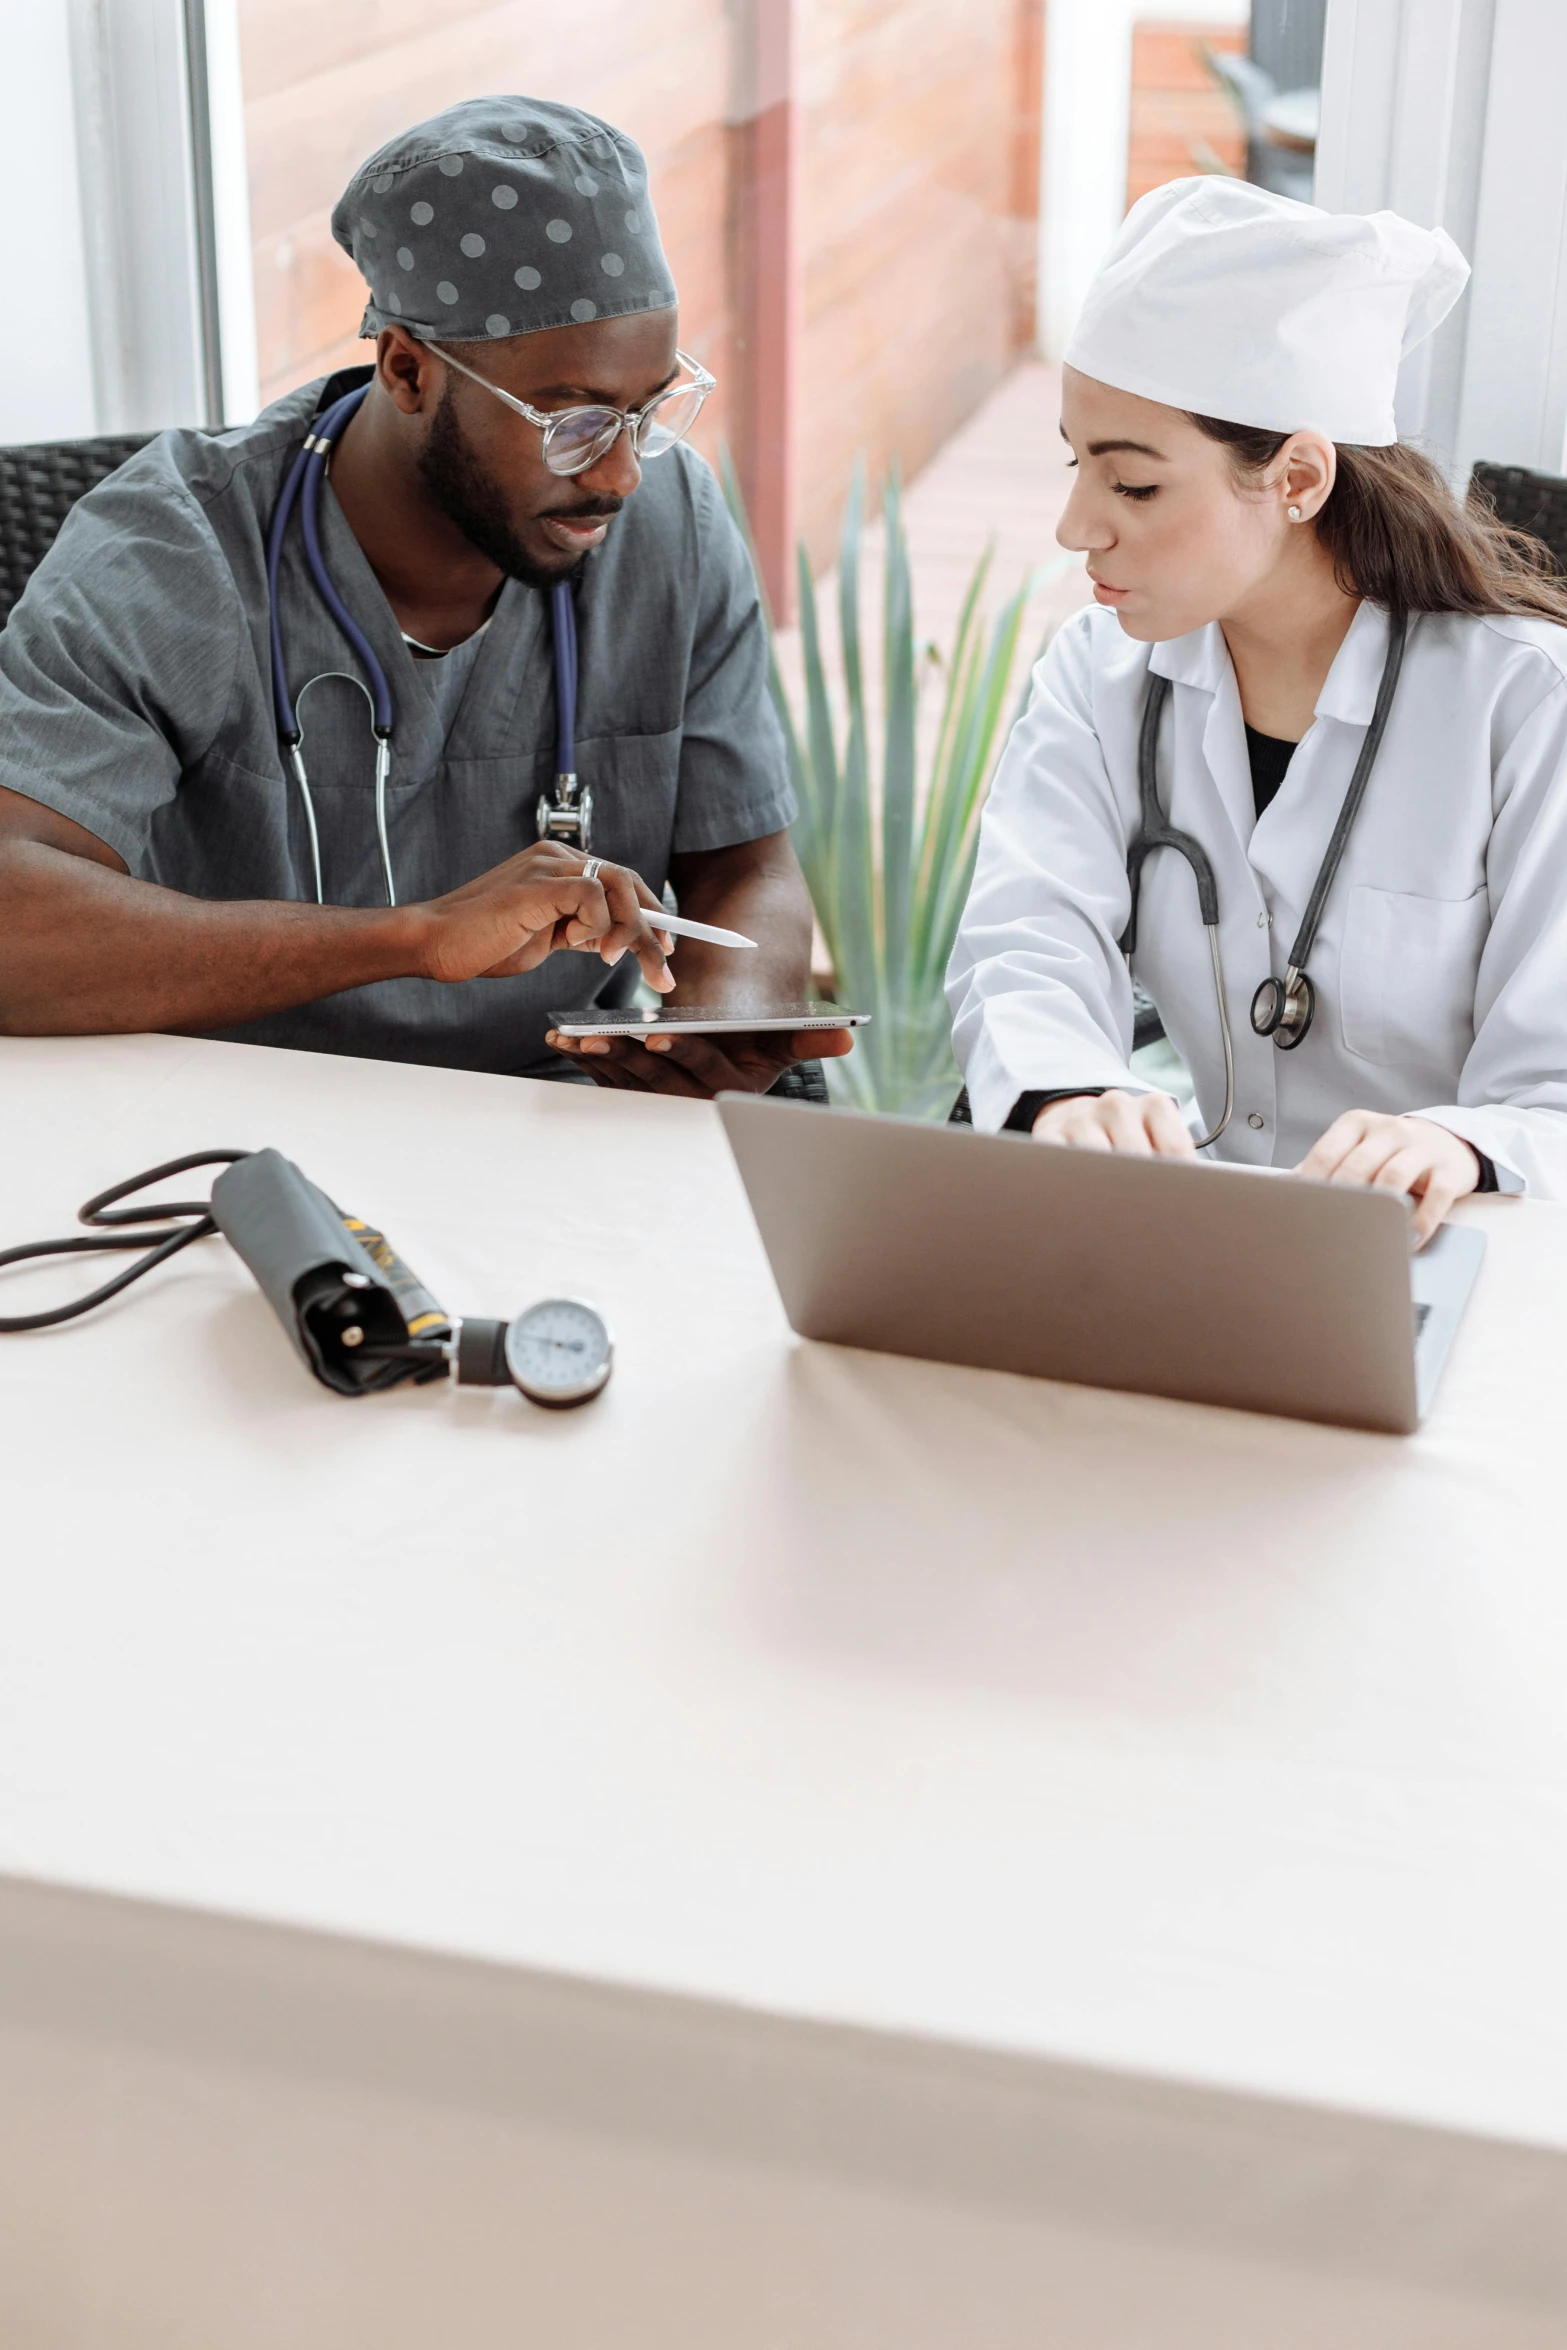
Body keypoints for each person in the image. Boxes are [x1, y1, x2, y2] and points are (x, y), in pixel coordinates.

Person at [0, 96, 849, 1102]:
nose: (620, 475)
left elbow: (746, 866)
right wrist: (415, 939)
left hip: (555, 1119)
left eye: (650, 408)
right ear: (406, 369)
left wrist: (721, 1021)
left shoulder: (672, 524)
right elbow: (16, 928)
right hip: (230, 1115)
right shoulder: (178, 547)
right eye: (573, 422)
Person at [948, 176, 1567, 1240]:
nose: (1073, 527)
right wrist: (1068, 1094)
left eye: (1132, 486)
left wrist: (1460, 1143)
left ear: (1297, 479)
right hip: (1203, 1245)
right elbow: (1025, 941)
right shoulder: (1097, 679)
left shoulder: (1526, 706)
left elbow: (1552, 1093)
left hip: (1454, 1254)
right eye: (1075, 465)